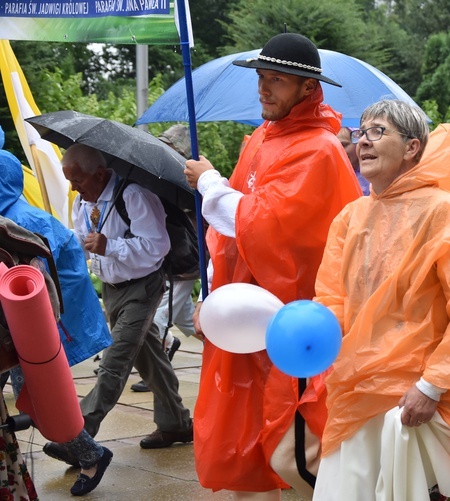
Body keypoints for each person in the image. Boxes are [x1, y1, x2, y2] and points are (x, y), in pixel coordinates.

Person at [313, 100, 450, 500]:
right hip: (356, 389)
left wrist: (432, 386)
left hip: (417, 398)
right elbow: (331, 296)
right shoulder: (350, 218)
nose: (364, 142)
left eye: (378, 131)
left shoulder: (447, 215)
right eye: (361, 133)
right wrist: (322, 345)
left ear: (412, 147)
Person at [183, 32, 361, 498]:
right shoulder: (262, 137)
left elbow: (268, 226)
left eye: (276, 79)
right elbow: (228, 235)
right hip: (250, 320)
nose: (264, 88)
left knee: (295, 452)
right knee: (250, 446)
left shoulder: (319, 150)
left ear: (307, 88)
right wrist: (214, 294)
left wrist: (209, 185)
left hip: (295, 322)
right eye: (262, 77)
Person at [47, 144, 193, 461]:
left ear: (99, 174)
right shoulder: (82, 203)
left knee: (116, 356)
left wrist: (109, 245)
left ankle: (79, 435)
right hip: (112, 288)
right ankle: (177, 423)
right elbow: (83, 243)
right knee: (148, 355)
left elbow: (156, 246)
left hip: (143, 286)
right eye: (69, 180)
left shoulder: (134, 195)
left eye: (78, 180)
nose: (73, 187)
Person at [0, 146, 115, 496]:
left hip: (25, 330)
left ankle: (91, 454)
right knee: (33, 398)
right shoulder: (22, 215)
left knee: (37, 397)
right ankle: (78, 448)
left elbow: (40, 283)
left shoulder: (23, 220)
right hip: (16, 329)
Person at [131, 124, 198, 393]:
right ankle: (226, 344)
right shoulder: (166, 174)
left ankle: (155, 376)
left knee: (157, 319)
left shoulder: (188, 178)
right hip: (175, 259)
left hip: (185, 260)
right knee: (187, 321)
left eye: (169, 145)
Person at [337, 126, 370, 195]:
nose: (338, 151)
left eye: (343, 145)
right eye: (335, 147)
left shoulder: (374, 174)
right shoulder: (331, 175)